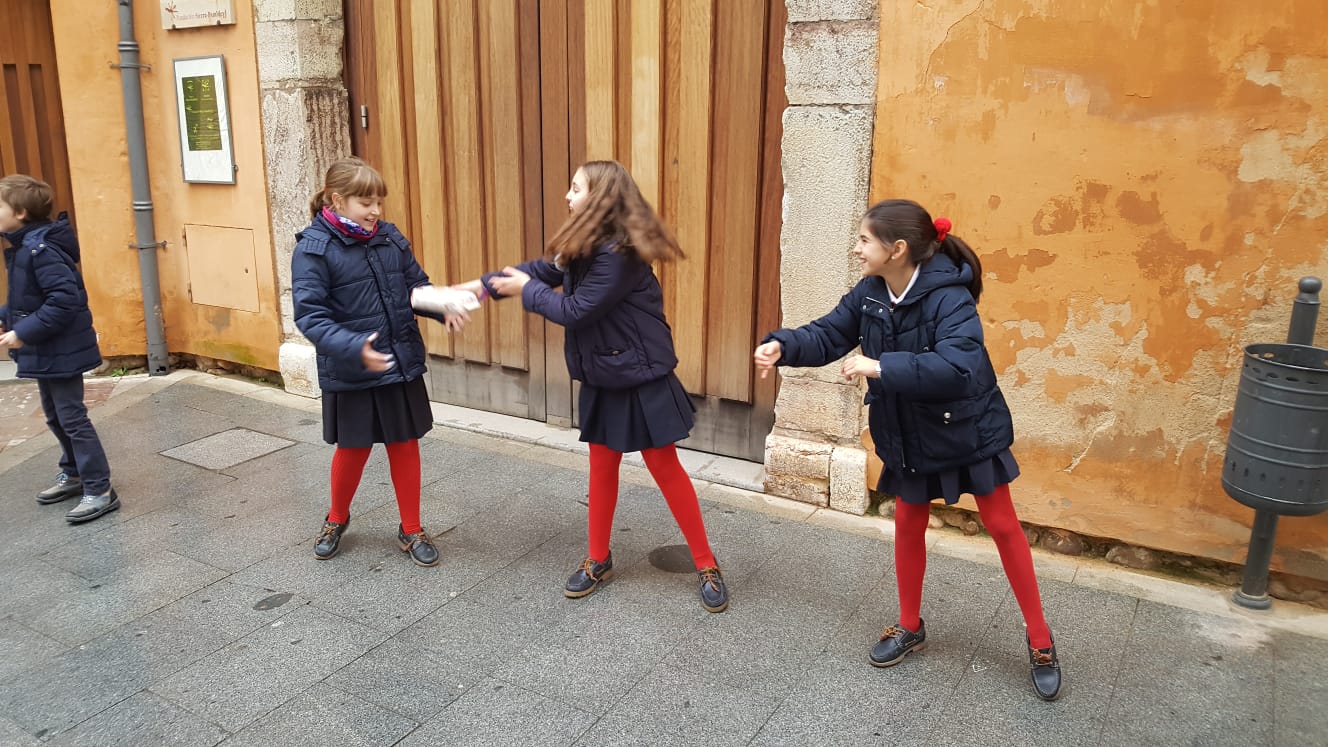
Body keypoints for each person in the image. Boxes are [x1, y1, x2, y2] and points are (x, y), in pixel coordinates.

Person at [753, 199, 1063, 700]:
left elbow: (958, 367)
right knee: (907, 522)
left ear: (896, 249)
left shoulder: (950, 297)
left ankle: (1041, 639)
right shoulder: (873, 292)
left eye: (863, 240)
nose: (856, 249)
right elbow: (830, 333)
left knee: (1003, 526)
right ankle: (908, 624)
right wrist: (783, 346)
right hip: (908, 431)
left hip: (966, 427)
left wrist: (880, 367)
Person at [451, 160, 729, 612]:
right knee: (602, 466)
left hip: (641, 374)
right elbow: (538, 272)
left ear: (599, 197)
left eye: (575, 188)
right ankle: (598, 558)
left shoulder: (619, 252)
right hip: (604, 371)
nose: (567, 195)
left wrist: (526, 290)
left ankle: (705, 562)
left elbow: (577, 310)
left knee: (665, 468)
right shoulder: (583, 241)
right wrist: (475, 290)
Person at [292, 157, 466, 567]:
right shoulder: (314, 249)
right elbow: (310, 316)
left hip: (397, 359)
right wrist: (354, 348)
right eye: (365, 202)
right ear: (337, 200)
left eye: (378, 203)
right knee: (352, 449)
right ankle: (336, 518)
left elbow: (415, 286)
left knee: (404, 445)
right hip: (353, 367)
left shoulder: (388, 238)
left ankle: (411, 527)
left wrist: (442, 306)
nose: (375, 212)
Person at [0, 175, 119, 524]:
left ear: (20, 213)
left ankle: (100, 488)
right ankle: (75, 472)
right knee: (55, 415)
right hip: (47, 348)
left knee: (72, 417)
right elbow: (26, 299)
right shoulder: (25, 246)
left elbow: (65, 301)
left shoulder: (42, 249)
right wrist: (7, 318)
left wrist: (23, 333)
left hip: (62, 348)